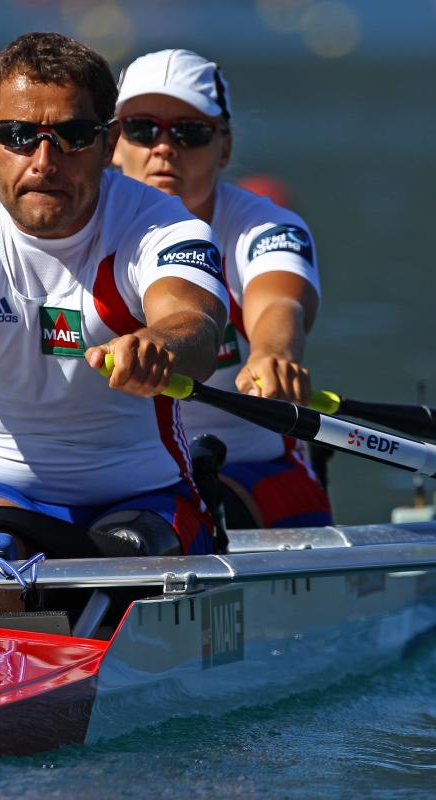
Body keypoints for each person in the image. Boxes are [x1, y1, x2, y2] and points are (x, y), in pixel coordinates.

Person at [0, 33, 228, 614]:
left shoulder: (159, 226)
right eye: (20, 137)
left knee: (124, 567)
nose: (44, 163)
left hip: (141, 499)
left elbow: (195, 324)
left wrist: (160, 345)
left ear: (107, 144)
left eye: (73, 137)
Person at [113, 49, 332, 529]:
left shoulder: (267, 227)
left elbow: (280, 300)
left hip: (251, 470)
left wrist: (273, 354)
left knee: (155, 524)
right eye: (142, 129)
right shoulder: (75, 230)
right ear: (114, 141)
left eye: (189, 132)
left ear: (224, 147)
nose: (164, 147)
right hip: (116, 476)